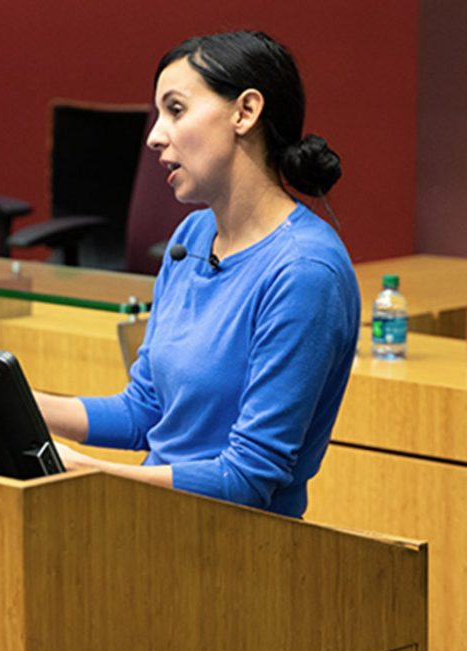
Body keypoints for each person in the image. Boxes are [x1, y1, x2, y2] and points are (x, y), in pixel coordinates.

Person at [35, 30, 360, 518]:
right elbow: (146, 412)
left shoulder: (304, 271)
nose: (154, 135)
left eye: (177, 109)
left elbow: (248, 479)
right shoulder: (191, 236)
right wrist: (17, 404)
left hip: (240, 551)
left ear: (244, 112)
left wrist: (88, 473)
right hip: (158, 528)